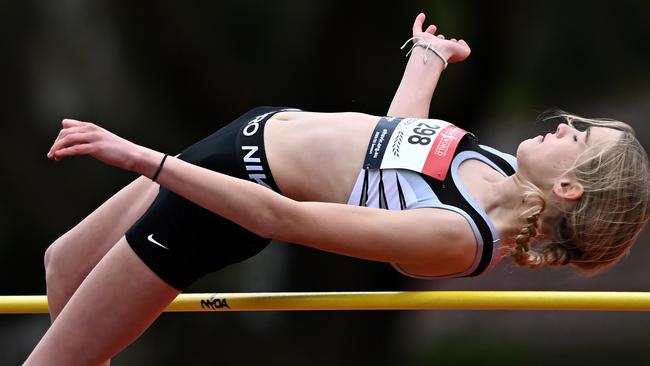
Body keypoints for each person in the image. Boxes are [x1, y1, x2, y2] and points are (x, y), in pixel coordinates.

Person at [25, 12, 650, 365]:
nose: (567, 124)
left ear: (569, 186)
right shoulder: (495, 166)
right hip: (234, 144)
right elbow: (392, 146)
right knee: (64, 265)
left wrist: (142, 158)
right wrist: (425, 59)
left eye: (581, 136)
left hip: (225, 196)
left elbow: (281, 219)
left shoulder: (460, 236)